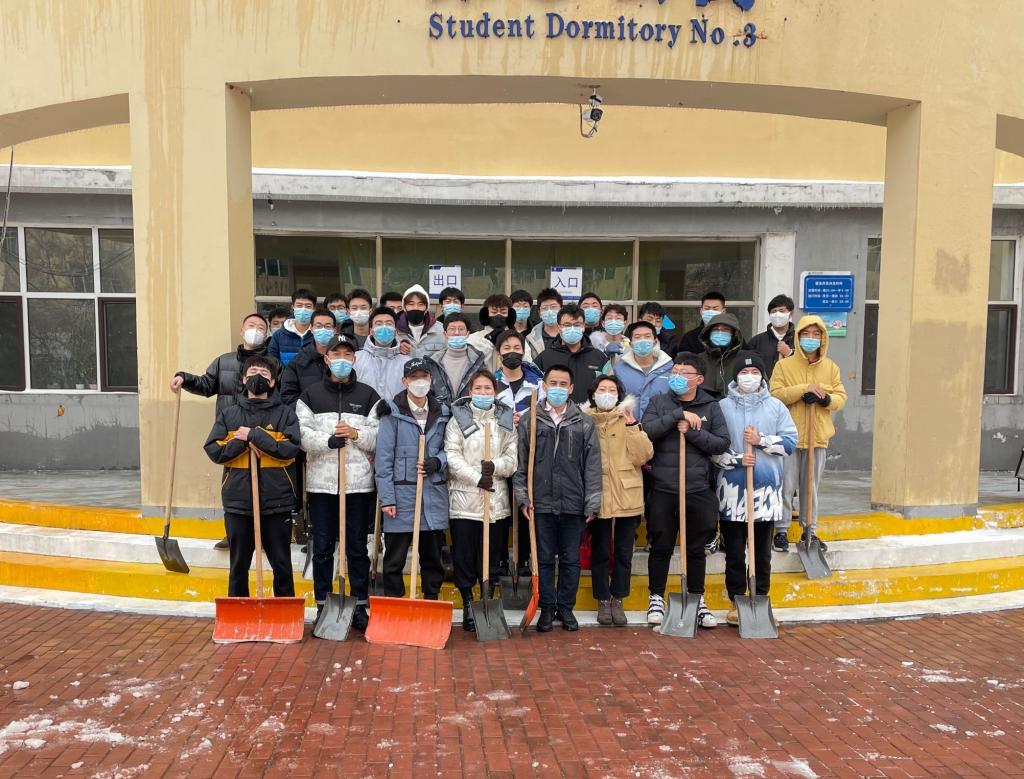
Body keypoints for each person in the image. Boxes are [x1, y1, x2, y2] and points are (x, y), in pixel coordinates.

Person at [296, 335, 380, 633]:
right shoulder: (310, 395)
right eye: (336, 354)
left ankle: (359, 605)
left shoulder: (369, 395)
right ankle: (323, 604)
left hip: (357, 485)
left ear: (354, 359)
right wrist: (328, 441)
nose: (341, 359)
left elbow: (378, 436)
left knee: (356, 547)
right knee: (322, 547)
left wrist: (355, 434)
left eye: (347, 354)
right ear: (327, 358)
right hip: (322, 484)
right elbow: (302, 435)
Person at [641, 353, 730, 629]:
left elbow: (721, 443)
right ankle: (656, 597)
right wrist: (677, 416)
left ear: (699, 379)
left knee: (695, 549)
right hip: (663, 487)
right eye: (675, 372)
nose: (677, 377)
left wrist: (691, 431)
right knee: (661, 545)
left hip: (697, 488)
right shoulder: (659, 402)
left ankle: (696, 598)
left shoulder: (711, 406)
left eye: (684, 373)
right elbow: (646, 431)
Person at [171, 311, 273, 550]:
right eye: (251, 325)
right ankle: (233, 534)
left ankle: (262, 535)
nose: (255, 330)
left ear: (266, 334)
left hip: (262, 432)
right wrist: (184, 378)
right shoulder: (223, 362)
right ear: (242, 330)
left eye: (261, 327)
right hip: (231, 434)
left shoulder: (272, 363)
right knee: (234, 486)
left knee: (264, 485)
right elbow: (206, 384)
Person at [513, 365, 602, 632]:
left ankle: (565, 607)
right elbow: (520, 464)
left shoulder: (583, 422)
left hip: (574, 502)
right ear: (544, 386)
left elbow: (593, 466)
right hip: (540, 503)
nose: (558, 388)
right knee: (544, 559)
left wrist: (592, 502)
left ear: (571, 388)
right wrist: (522, 498)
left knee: (571, 559)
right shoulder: (531, 419)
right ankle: (547, 607)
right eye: (553, 383)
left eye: (563, 384)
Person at [203, 355, 299, 599]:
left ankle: (285, 612)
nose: (258, 377)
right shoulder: (229, 415)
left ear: (273, 382)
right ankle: (238, 610)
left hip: (276, 501)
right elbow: (214, 450)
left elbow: (290, 449)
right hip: (238, 502)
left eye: (265, 374)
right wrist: (242, 442)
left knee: (282, 564)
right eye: (253, 372)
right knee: (238, 566)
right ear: (244, 379)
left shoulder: (285, 414)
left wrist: (256, 436)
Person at [713, 352, 797, 626]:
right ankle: (737, 600)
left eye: (755, 373)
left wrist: (761, 440)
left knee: (761, 552)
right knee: (735, 552)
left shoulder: (776, 407)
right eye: (744, 373)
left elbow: (790, 443)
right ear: (735, 376)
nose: (749, 377)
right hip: (732, 492)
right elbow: (712, 448)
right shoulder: (722, 407)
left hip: (766, 492)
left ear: (762, 376)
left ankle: (760, 597)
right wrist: (737, 459)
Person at [444, 370, 519, 632]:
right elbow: (452, 456)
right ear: (470, 391)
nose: (483, 393)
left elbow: (512, 458)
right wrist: (477, 477)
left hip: (496, 502)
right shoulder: (458, 420)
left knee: (492, 556)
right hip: (465, 501)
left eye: (488, 388)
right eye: (478, 388)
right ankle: (468, 602)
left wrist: (495, 466)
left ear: (495, 392)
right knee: (464, 556)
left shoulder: (505, 420)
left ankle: (487, 598)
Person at [374, 358, 451, 600]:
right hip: (401, 497)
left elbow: (452, 448)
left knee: (432, 558)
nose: (420, 382)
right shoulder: (391, 412)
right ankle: (394, 602)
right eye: (414, 377)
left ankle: (431, 601)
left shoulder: (443, 412)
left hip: (433, 496)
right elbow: (383, 460)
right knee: (394, 559)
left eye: (424, 377)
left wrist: (438, 460)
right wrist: (387, 499)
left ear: (431, 379)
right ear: (404, 381)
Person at [769, 316, 847, 552]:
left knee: (810, 487)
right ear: (798, 336)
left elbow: (841, 398)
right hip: (789, 436)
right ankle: (781, 530)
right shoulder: (784, 366)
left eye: (816, 334)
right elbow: (775, 394)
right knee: (785, 485)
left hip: (817, 436)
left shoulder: (831, 367)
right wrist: (802, 390)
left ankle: (809, 530)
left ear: (823, 338)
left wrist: (826, 399)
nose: (810, 338)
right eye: (806, 334)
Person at [585, 375, 653, 627]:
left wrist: (632, 425)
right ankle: (603, 599)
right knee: (601, 550)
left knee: (624, 551)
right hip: (598, 494)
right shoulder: (584, 420)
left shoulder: (628, 419)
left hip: (627, 492)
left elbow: (643, 456)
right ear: (593, 394)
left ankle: (618, 598)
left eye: (612, 389)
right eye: (602, 389)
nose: (607, 393)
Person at [535, 304, 606, 405]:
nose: (572, 329)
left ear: (583, 326)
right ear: (559, 327)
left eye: (577, 325)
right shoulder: (544, 357)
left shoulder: (599, 357)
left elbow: (609, 388)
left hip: (589, 414)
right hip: (553, 413)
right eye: (567, 325)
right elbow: (532, 389)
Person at [610, 320, 672, 419]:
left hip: (661, 425)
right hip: (629, 425)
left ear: (655, 342)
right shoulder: (618, 370)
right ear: (631, 344)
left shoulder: (669, 368)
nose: (643, 340)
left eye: (647, 336)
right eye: (637, 337)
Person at [424, 313, 487, 405]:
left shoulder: (478, 360)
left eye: (461, 329)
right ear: (445, 334)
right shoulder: (433, 361)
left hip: (469, 411)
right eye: (452, 329)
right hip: (440, 412)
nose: (457, 333)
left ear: (467, 334)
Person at [280, 307, 337, 405]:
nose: (323, 330)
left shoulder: (343, 360)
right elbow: (288, 396)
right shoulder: (297, 362)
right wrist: (307, 411)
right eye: (318, 326)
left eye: (328, 326)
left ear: (334, 330)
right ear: (311, 328)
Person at [354, 307, 410, 403]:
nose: (384, 327)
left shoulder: (407, 363)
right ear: (371, 331)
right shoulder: (356, 359)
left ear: (395, 331)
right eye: (379, 324)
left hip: (397, 412)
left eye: (389, 324)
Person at [746, 294, 796, 380]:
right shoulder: (757, 341)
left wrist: (790, 353)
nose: (777, 314)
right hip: (765, 387)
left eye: (781, 310)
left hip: (792, 386)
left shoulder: (799, 340)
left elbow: (806, 364)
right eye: (774, 311)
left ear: (790, 314)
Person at [697, 313, 745, 397]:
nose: (720, 333)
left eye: (726, 329)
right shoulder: (698, 359)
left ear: (734, 334)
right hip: (704, 404)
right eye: (716, 329)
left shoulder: (745, 358)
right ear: (709, 333)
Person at [267, 288, 317, 368]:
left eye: (308, 306)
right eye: (299, 305)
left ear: (314, 309)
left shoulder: (318, 334)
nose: (303, 309)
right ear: (293, 307)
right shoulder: (278, 335)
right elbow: (272, 362)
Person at [396, 284, 446, 358]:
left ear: (426, 307)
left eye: (420, 304)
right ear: (404, 307)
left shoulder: (440, 329)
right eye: (411, 304)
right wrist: (396, 347)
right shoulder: (394, 330)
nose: (416, 308)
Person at [467, 293, 513, 370]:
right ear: (486, 314)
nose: (499, 315)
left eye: (503, 312)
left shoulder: (517, 339)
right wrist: (488, 341)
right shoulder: (473, 339)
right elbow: (469, 364)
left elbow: (526, 363)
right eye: (494, 312)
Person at [525, 287, 563, 357]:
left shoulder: (569, 333)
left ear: (561, 310)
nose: (549, 311)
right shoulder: (531, 338)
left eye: (553, 307)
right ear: (539, 313)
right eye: (545, 308)